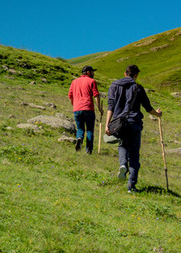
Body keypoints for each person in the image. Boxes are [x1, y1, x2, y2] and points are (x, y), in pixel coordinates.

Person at [105, 64, 162, 193]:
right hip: (134, 122)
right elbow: (148, 108)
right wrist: (158, 114)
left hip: (120, 123)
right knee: (135, 154)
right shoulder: (138, 88)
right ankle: (131, 186)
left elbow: (110, 106)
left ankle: (123, 164)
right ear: (136, 75)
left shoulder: (114, 85)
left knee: (122, 145)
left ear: (125, 73)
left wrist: (107, 124)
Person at [68, 65, 102, 154]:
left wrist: (74, 105)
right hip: (88, 109)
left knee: (80, 129)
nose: (93, 73)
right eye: (92, 72)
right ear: (88, 72)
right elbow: (96, 95)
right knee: (90, 130)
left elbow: (70, 96)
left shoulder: (74, 82)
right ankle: (89, 150)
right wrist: (99, 108)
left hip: (77, 109)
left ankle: (79, 139)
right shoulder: (92, 81)